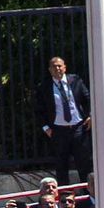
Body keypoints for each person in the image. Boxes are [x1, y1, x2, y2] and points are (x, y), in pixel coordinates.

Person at [37, 54, 91, 187]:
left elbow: (88, 98)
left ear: (65, 67)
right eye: (54, 67)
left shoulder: (75, 80)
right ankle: (64, 195)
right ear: (50, 70)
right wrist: (46, 128)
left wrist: (90, 115)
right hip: (58, 130)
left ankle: (88, 194)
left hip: (78, 127)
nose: (57, 69)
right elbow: (39, 109)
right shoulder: (45, 86)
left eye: (60, 66)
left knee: (84, 163)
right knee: (61, 166)